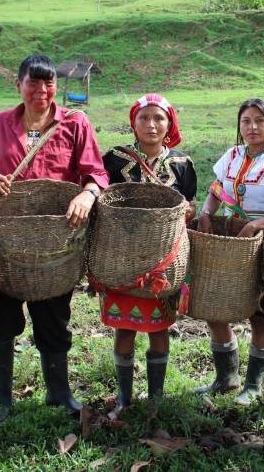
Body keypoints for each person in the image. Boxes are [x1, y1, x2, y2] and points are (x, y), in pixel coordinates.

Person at [0, 54, 108, 422]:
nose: (42, 90)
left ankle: (59, 393)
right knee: (0, 319)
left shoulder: (75, 122)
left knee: (53, 316)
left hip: (55, 242)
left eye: (48, 83)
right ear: (18, 85)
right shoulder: (0, 124)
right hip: (5, 241)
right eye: (33, 83)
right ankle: (2, 399)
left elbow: (95, 172)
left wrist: (87, 194)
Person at [196, 98, 264, 405]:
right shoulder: (232, 155)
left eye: (259, 121)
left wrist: (257, 226)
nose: (252, 127)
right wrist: (205, 213)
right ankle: (226, 377)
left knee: (258, 315)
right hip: (229, 244)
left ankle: (253, 385)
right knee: (215, 308)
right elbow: (217, 189)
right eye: (246, 121)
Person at [100, 94, 196, 411]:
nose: (151, 124)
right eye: (144, 118)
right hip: (122, 260)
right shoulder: (114, 158)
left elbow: (190, 205)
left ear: (169, 124)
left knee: (159, 327)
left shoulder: (182, 164)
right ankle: (125, 398)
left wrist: (188, 213)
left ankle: (156, 397)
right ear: (133, 123)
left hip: (163, 262)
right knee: (125, 326)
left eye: (158, 118)